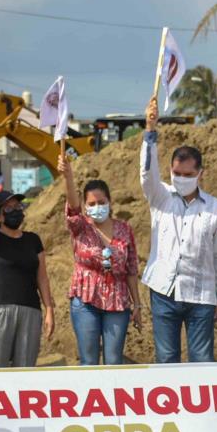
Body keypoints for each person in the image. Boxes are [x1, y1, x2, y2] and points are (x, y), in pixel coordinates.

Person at [140, 96, 217, 363]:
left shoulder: (215, 207)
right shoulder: (160, 197)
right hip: (163, 291)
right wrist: (149, 130)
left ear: (200, 173)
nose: (181, 179)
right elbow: (147, 174)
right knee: (166, 357)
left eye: (188, 175)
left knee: (202, 359)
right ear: (170, 170)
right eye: (176, 173)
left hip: (201, 294)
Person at [57, 152, 141, 365]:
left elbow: (131, 270)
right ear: (85, 207)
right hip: (86, 300)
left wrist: (138, 304)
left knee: (114, 361)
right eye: (91, 203)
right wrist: (68, 177)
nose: (97, 207)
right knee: (89, 361)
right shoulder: (81, 227)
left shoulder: (124, 229)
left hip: (117, 301)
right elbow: (72, 209)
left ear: (110, 202)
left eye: (101, 202)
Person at [0, 164, 55, 367]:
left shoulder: (33, 240)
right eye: (8, 208)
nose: (15, 211)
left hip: (30, 311)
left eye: (18, 206)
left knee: (24, 376)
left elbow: (42, 278)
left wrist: (49, 309)